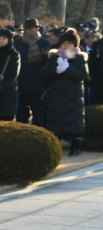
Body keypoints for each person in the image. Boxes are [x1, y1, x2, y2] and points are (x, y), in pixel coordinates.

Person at [43, 28, 88, 156]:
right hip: (56, 94)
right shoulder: (54, 58)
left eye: (69, 43)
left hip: (74, 95)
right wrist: (56, 71)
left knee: (74, 123)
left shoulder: (79, 58)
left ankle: (75, 147)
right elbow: (44, 73)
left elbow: (83, 75)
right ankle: (56, 148)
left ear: (75, 45)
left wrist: (67, 69)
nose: (66, 45)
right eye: (64, 43)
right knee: (55, 122)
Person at [15, 18, 48, 124]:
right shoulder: (18, 42)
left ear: (37, 29)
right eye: (26, 29)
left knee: (38, 111)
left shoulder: (45, 43)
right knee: (21, 112)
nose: (28, 31)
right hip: (21, 81)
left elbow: (47, 63)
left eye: (31, 29)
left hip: (38, 83)